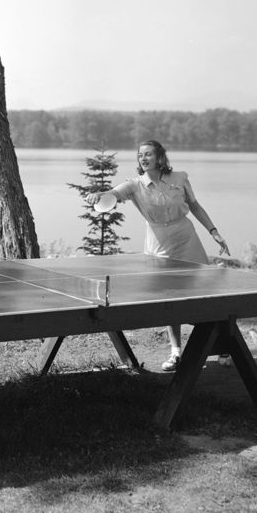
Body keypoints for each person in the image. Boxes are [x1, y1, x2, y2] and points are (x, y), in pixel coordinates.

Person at [89, 140, 231, 372]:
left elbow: (195, 206)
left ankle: (221, 342)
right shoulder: (134, 184)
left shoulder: (180, 178)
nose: (143, 158)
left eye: (148, 154)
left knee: (204, 292)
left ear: (159, 157)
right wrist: (100, 194)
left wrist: (213, 231)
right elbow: (113, 193)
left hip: (186, 238)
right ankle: (176, 353)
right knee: (169, 298)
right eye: (140, 155)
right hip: (158, 243)